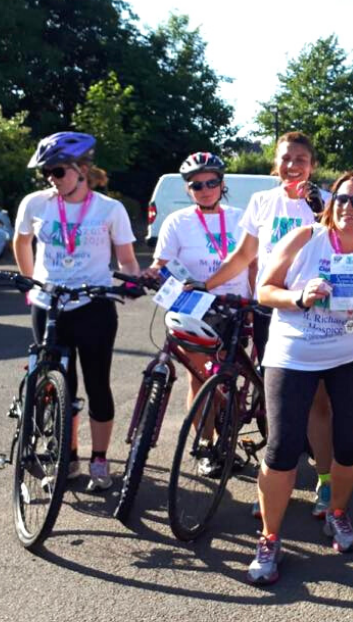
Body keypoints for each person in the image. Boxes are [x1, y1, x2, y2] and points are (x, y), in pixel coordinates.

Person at [246, 172, 353, 583]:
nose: (348, 208)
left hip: (352, 355)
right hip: (293, 354)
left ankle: (338, 512)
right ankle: (270, 536)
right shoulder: (303, 238)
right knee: (281, 449)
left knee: (350, 449)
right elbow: (265, 291)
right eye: (342, 200)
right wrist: (298, 296)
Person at [204, 132, 334, 518]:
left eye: (301, 159)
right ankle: (277, 486)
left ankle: (326, 485)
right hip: (271, 311)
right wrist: (206, 285)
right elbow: (245, 254)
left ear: (312, 165)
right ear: (275, 164)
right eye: (286, 159)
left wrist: (318, 210)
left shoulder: (325, 202)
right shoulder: (262, 201)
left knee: (317, 401)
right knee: (278, 400)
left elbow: (344, 248)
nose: (293, 165)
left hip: (315, 311)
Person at [13, 131, 140, 491]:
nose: (49, 180)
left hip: (93, 303)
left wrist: (131, 284)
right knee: (57, 387)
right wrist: (29, 282)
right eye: (46, 173)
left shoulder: (109, 209)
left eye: (56, 172)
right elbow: (21, 241)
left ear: (81, 169)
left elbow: (128, 260)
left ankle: (99, 460)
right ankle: (66, 458)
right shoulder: (36, 203)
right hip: (48, 303)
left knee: (97, 383)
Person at [145, 152, 250, 428]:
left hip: (234, 305)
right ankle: (205, 444)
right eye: (197, 185)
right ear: (187, 189)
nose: (205, 190)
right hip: (194, 307)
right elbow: (162, 263)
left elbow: (253, 264)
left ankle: (228, 425)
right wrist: (148, 274)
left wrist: (254, 300)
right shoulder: (177, 222)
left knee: (227, 374)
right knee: (199, 378)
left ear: (222, 183)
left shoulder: (242, 219)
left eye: (211, 183)